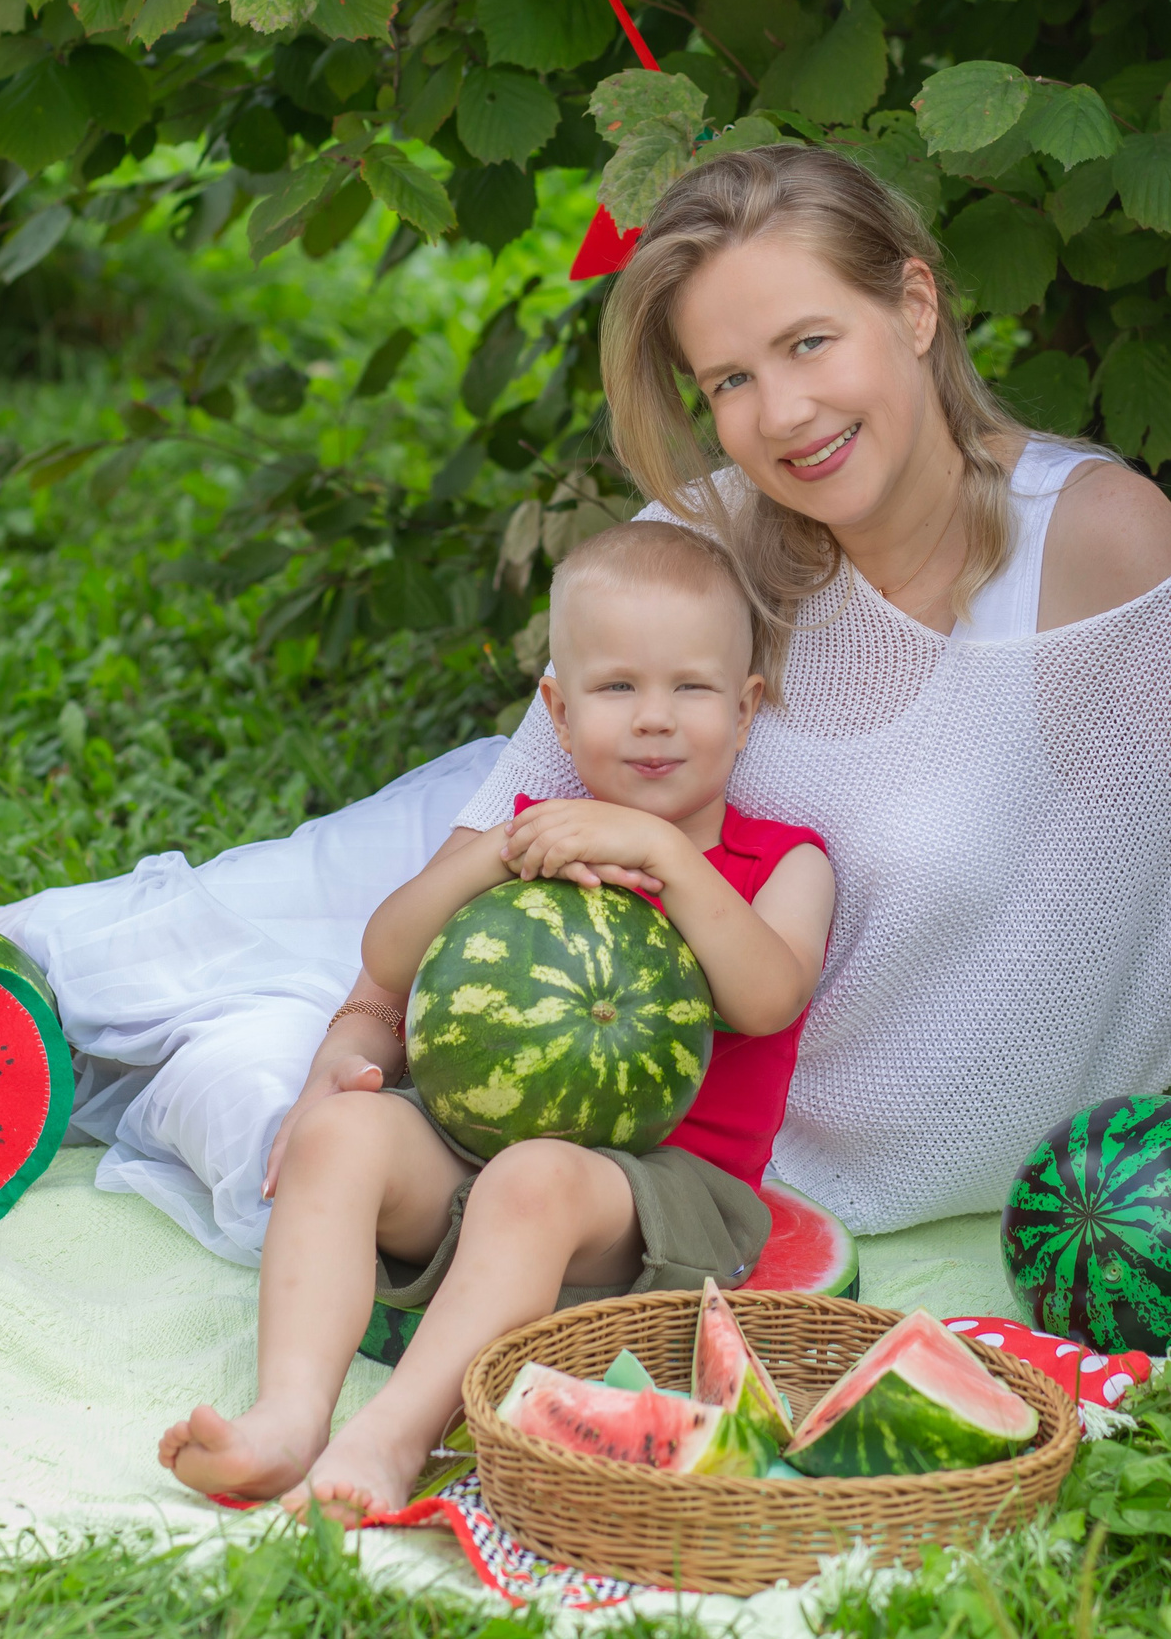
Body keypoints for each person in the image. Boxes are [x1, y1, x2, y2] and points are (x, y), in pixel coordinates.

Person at [0, 140, 1171, 1273]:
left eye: (810, 343)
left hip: (689, 1120)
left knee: (232, 1097)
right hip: (518, 905)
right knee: (145, 968)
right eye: (730, 378)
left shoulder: (1099, 545)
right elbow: (505, 821)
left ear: (915, 302)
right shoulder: (711, 534)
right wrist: (357, 1039)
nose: (780, 414)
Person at [155, 521, 836, 1518]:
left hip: (672, 1195)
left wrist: (666, 857)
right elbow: (391, 954)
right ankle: (288, 1417)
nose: (653, 719)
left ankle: (394, 1437)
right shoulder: (527, 838)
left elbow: (768, 996)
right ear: (558, 712)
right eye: (617, 687)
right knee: (343, 1130)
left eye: (690, 688)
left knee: (533, 1177)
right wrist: (496, 853)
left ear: (744, 712)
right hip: (478, 1152)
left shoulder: (781, 861)